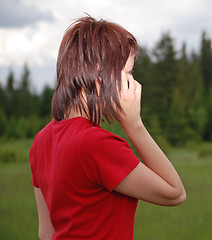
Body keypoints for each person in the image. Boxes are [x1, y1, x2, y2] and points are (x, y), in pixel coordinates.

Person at [29, 15, 186, 240]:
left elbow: (46, 233)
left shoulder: (40, 140)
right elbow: (175, 193)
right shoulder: (95, 144)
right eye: (129, 72)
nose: (134, 83)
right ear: (100, 72)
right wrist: (134, 125)